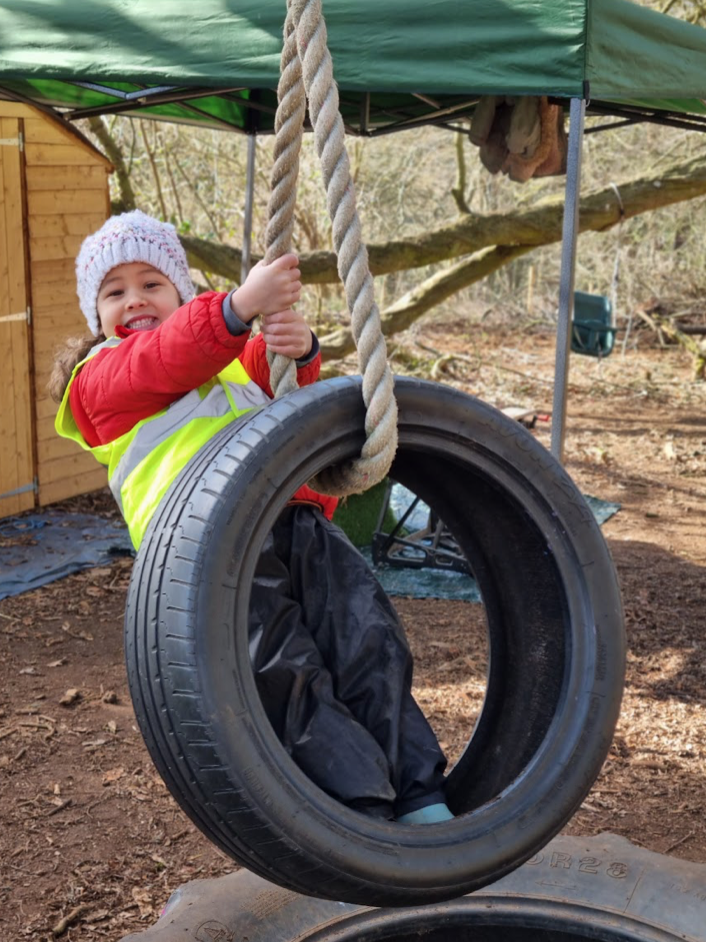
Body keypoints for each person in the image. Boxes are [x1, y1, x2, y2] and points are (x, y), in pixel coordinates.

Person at [51, 210, 452, 824]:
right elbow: (162, 359)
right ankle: (359, 813)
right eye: (115, 291)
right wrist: (236, 307)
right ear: (95, 315)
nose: (134, 299)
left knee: (368, 640)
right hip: (211, 548)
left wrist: (301, 348)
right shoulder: (98, 382)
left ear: (178, 292)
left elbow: (289, 395)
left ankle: (421, 794)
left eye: (151, 283)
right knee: (284, 669)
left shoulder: (231, 363)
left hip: (300, 524)